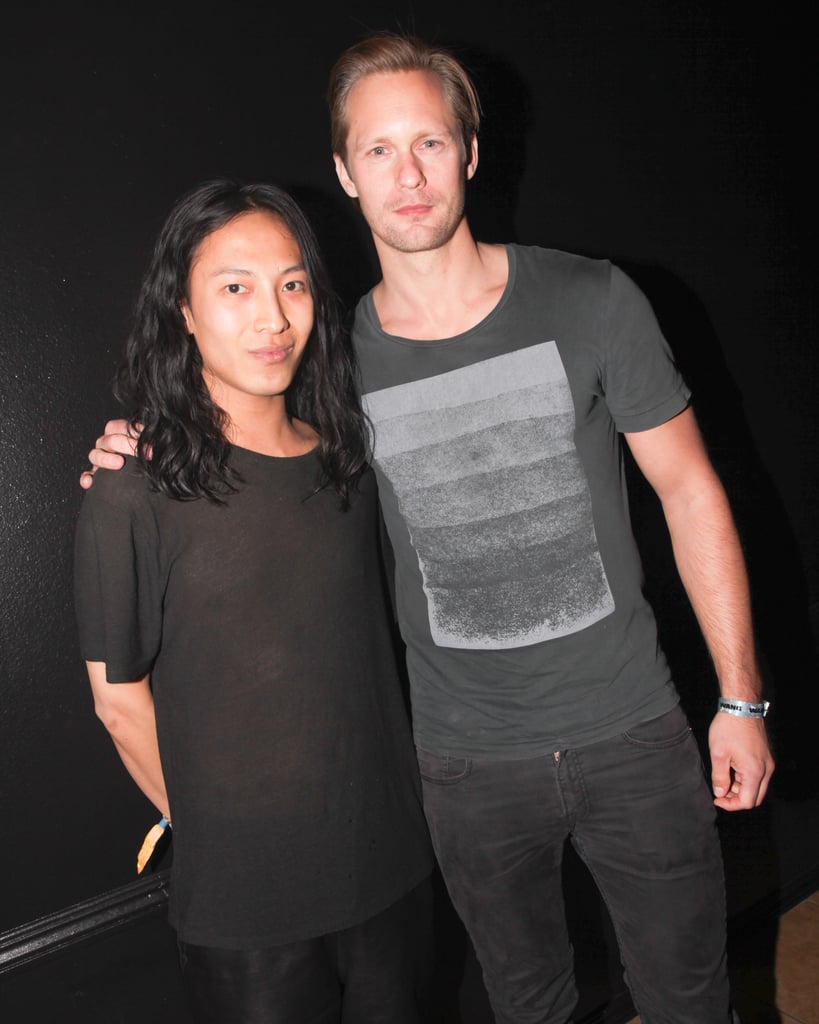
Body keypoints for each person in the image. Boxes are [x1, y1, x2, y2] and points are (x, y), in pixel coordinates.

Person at [82, 33, 775, 1024]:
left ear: (472, 152)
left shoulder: (591, 299)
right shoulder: (334, 363)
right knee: (527, 1005)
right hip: (461, 770)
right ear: (343, 172)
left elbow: (692, 490)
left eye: (431, 144)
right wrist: (136, 438)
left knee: (691, 1003)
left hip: (634, 736)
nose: (407, 175)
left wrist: (740, 699)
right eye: (377, 150)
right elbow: (235, 401)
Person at [73, 178, 434, 1024]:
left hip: (392, 868)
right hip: (246, 907)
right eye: (234, 287)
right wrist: (215, 836)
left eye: (293, 283)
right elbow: (118, 702)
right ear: (184, 312)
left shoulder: (349, 459)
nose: (271, 318)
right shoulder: (132, 488)